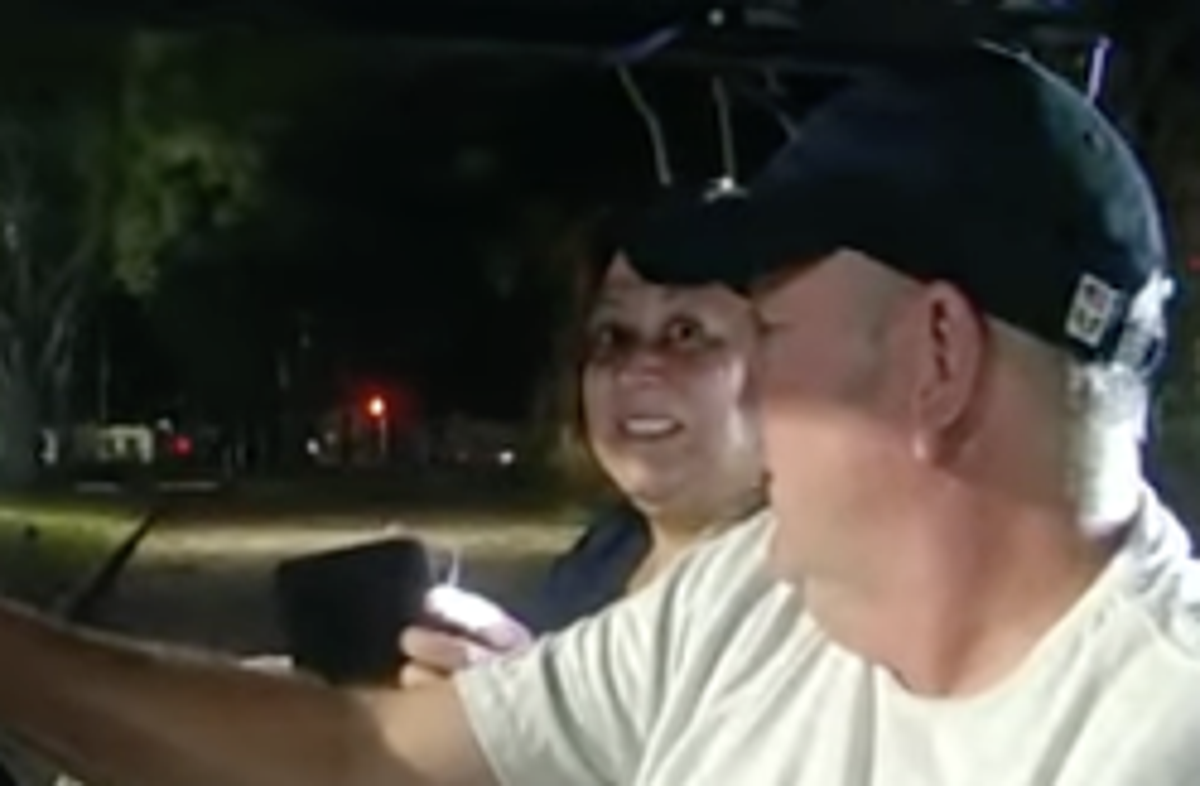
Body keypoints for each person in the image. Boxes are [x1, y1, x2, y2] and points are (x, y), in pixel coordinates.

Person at [0, 43, 1198, 786]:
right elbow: (365, 758)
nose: (746, 393)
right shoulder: (758, 606)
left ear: (937, 359)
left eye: (766, 338)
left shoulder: (1157, 737)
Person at [400, 243, 766, 683]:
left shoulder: (811, 598)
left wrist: (525, 710)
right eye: (611, 336)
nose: (634, 369)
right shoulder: (606, 552)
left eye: (685, 333)